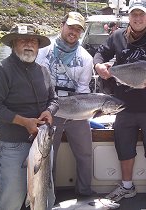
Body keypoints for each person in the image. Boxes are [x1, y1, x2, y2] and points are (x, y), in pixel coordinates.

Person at [93, 0, 146, 209]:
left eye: (141, 15)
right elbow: (101, 52)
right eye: (133, 15)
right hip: (123, 105)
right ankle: (127, 186)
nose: (137, 19)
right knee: (124, 147)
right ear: (129, 17)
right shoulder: (117, 36)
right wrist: (99, 64)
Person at [0, 23, 58, 210]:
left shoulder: (43, 71)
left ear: (38, 45)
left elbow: (54, 100)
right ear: (13, 44)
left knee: (45, 196)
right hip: (13, 147)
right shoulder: (1, 71)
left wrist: (50, 111)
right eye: (23, 40)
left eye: (33, 40)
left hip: (43, 145)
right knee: (11, 201)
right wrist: (24, 122)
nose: (29, 44)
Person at [36, 12, 95, 196]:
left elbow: (84, 89)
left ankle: (84, 192)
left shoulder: (86, 58)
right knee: (47, 156)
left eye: (78, 29)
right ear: (62, 25)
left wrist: (89, 111)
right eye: (71, 27)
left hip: (76, 111)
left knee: (85, 153)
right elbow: (35, 80)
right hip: (47, 110)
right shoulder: (43, 50)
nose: (74, 32)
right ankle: (47, 195)